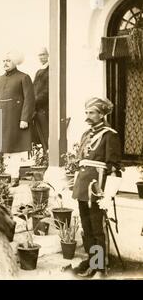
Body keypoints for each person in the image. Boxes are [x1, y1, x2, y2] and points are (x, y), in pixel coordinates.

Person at [72, 97, 122, 278]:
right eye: (86, 112)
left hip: (97, 188)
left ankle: (99, 267)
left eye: (92, 112)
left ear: (102, 114)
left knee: (96, 228)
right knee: (86, 227)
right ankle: (91, 259)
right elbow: (80, 162)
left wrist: (108, 195)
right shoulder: (86, 134)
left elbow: (114, 167)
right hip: (83, 187)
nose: (88, 115)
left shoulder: (110, 135)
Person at [0, 50, 35, 187]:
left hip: (15, 119)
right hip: (1, 119)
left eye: (8, 61)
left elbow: (29, 99)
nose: (5, 63)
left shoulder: (24, 77)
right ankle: (4, 176)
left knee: (14, 149)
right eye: (3, 61)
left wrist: (24, 118)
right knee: (3, 149)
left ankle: (15, 176)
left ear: (15, 62)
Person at [32, 47, 49, 151]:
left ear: (48, 55)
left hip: (44, 108)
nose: (41, 57)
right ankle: (43, 157)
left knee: (46, 134)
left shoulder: (50, 70)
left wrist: (35, 102)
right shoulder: (39, 71)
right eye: (40, 55)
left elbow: (47, 90)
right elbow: (34, 88)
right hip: (37, 108)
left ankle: (48, 156)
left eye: (43, 54)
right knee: (39, 135)